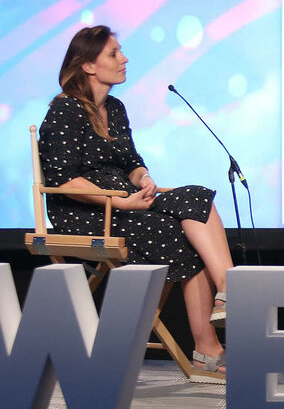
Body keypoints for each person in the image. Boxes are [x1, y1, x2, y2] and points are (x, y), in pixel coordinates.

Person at [39, 25, 234, 379]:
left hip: (124, 203)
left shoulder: (115, 108)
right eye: (113, 53)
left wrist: (143, 179)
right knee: (180, 236)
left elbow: (130, 162)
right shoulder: (65, 109)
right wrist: (120, 203)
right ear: (88, 65)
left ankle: (228, 290)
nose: (124, 58)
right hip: (85, 213)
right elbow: (63, 180)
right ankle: (208, 348)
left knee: (195, 194)